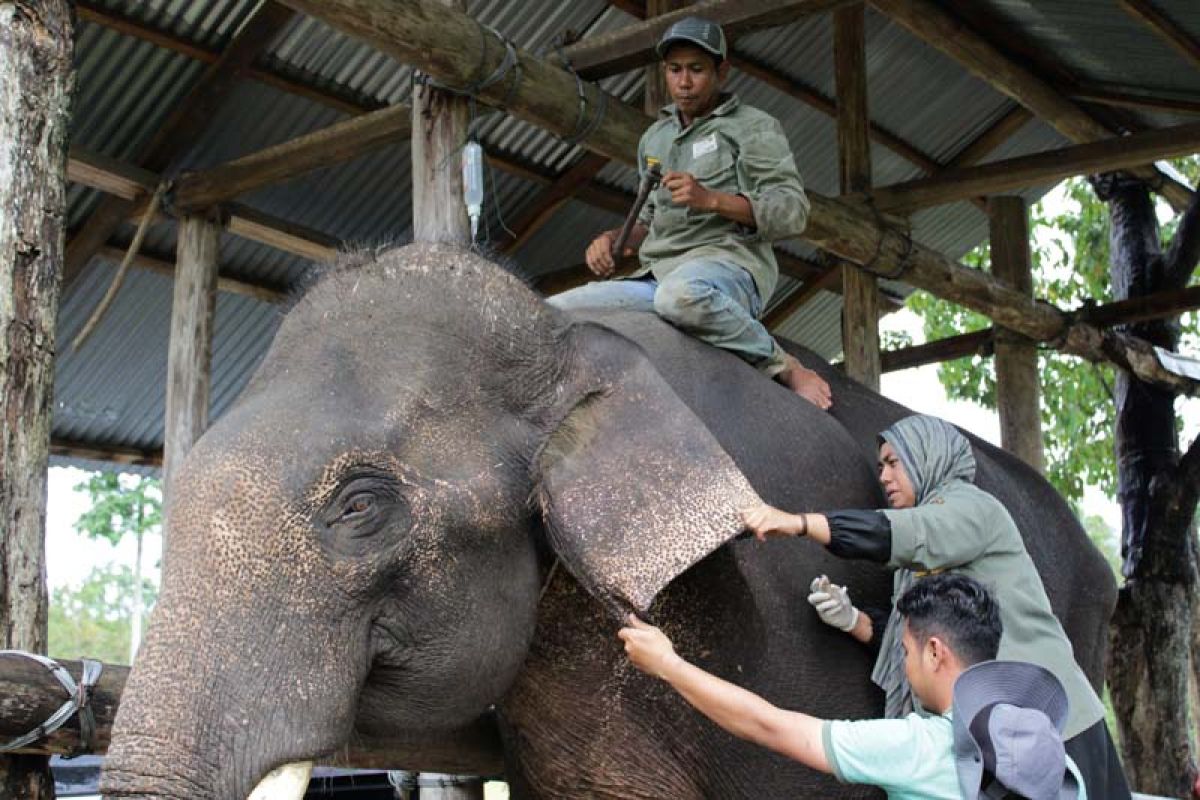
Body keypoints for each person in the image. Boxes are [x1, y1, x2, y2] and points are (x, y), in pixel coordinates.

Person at [739, 414, 1130, 799]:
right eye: (880, 466)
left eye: (894, 463)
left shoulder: (970, 509)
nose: (884, 477)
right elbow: (925, 641)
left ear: (929, 456)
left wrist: (798, 523)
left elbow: (905, 534)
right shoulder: (917, 564)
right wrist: (852, 619)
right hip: (997, 733)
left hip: (1056, 725)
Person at [547, 16, 831, 410]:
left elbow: (793, 212)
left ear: (722, 71)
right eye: (674, 70)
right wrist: (613, 241)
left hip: (725, 269)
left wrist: (711, 199)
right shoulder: (655, 138)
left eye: (696, 70)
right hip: (653, 278)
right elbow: (647, 220)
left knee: (678, 297)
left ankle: (782, 364)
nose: (683, 82)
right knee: (550, 314)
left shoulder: (753, 127)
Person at [619, 573, 1086, 799]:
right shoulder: (1056, 758)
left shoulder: (920, 747)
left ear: (936, 652)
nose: (904, 666)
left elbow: (771, 727)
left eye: (904, 650)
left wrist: (668, 665)